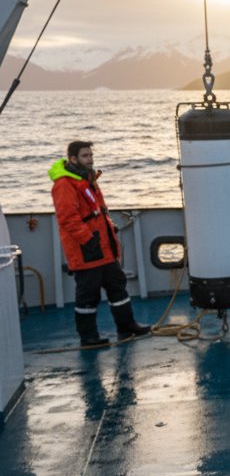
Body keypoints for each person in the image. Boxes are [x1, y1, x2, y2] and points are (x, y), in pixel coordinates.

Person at [49, 141, 152, 347]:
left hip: (104, 247)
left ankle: (126, 326)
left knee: (117, 287)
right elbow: (68, 218)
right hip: (86, 249)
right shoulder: (64, 184)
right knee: (88, 295)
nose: (90, 159)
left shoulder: (87, 179)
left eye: (90, 155)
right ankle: (88, 337)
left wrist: (108, 229)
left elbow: (98, 211)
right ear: (73, 159)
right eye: (85, 156)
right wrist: (88, 240)